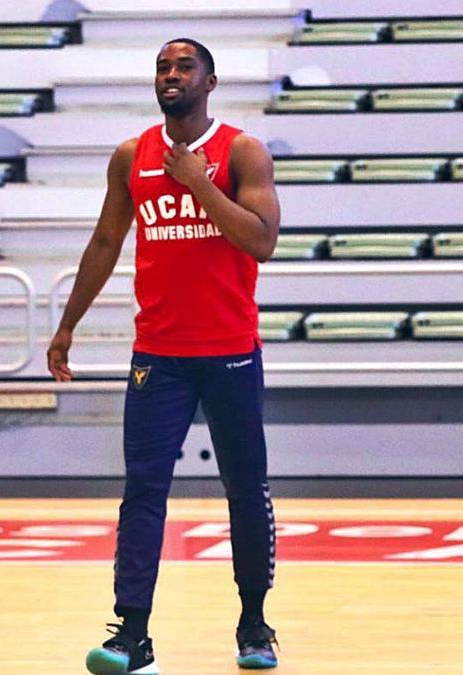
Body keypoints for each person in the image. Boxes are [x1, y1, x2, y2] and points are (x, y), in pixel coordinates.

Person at [47, 38, 282, 674]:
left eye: (184, 68)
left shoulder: (240, 150)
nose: (171, 76)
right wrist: (67, 325)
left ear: (211, 81)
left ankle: (254, 625)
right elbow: (103, 242)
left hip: (230, 349)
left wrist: (200, 184)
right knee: (143, 491)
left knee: (244, 488)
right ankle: (132, 632)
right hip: (158, 354)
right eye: (162, 67)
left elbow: (261, 242)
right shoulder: (132, 155)